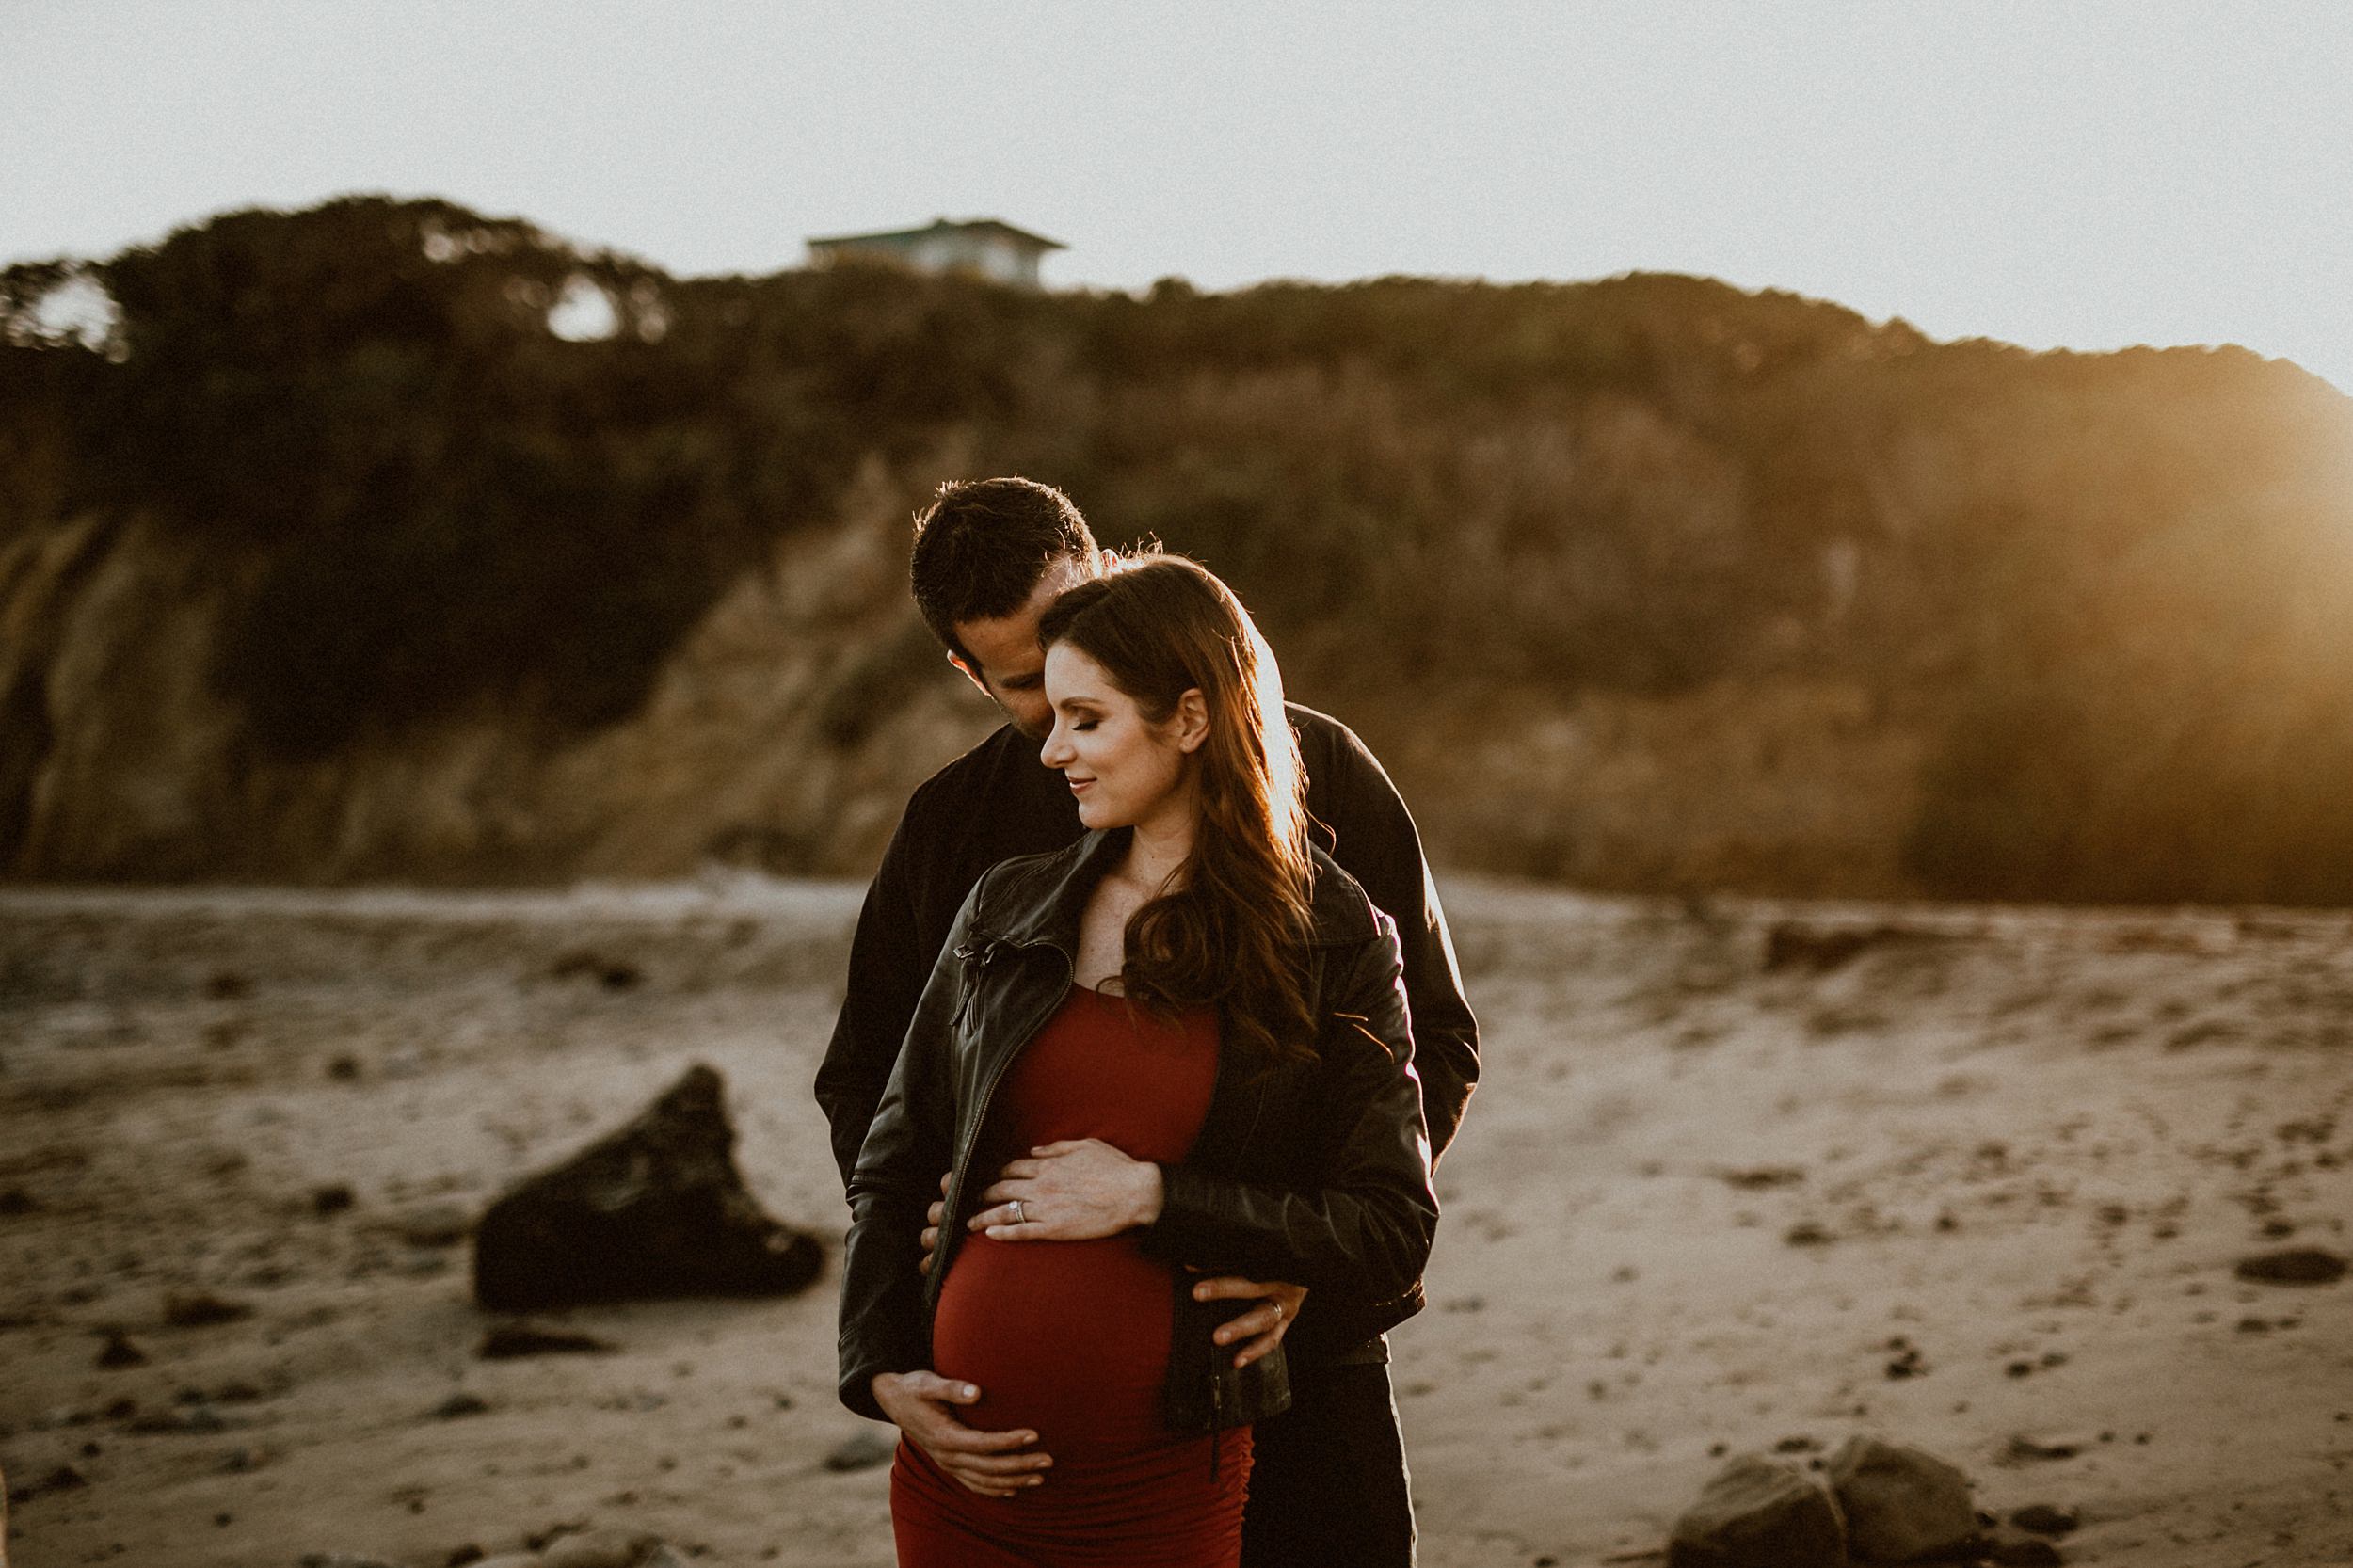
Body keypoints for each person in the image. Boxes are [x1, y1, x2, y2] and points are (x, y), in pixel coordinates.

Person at [815, 477, 1479, 1565]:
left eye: (1088, 630)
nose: (1062, 717)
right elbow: (875, 1089)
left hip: (1285, 1351)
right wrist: (922, 1280)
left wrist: (1297, 1255)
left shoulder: (1322, 784)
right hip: (1019, 1447)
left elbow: (1430, 1057)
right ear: (967, 672)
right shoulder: (957, 835)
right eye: (1032, 682)